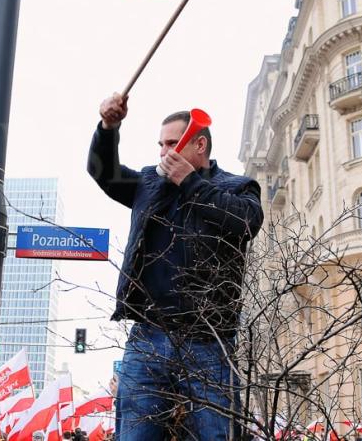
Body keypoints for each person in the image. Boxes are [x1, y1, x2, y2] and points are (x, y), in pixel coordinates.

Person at [88, 94, 264, 440]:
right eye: (161, 144)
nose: (163, 152)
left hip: (208, 339)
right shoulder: (148, 184)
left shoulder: (237, 187)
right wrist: (108, 128)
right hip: (148, 336)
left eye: (172, 143)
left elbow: (246, 222)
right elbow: (102, 172)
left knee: (217, 434)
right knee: (135, 434)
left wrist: (190, 182)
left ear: (200, 144)